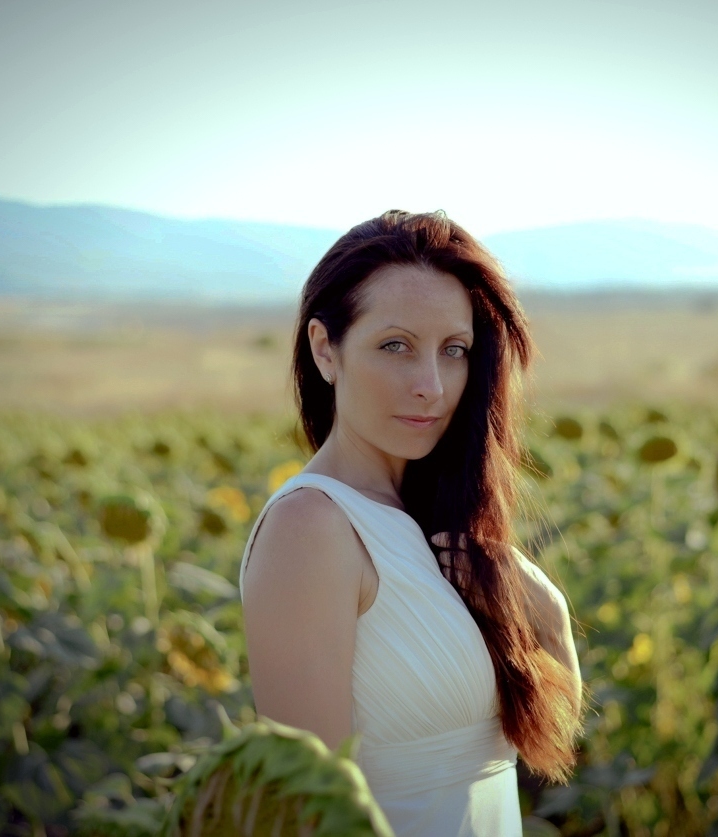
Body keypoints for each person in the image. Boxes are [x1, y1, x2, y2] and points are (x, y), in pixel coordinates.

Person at [238, 209, 587, 836]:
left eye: (454, 351)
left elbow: (545, 743)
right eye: (395, 346)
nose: (431, 385)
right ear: (325, 349)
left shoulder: (439, 523)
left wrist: (549, 614)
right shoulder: (310, 529)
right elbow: (309, 815)